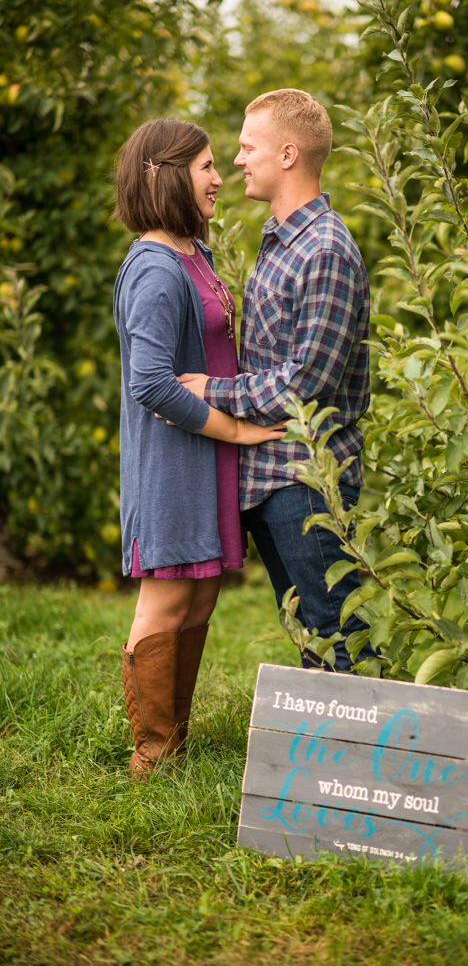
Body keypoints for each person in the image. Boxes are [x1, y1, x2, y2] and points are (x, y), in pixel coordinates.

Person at [177, 89, 375, 673]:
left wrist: (210, 391)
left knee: (341, 632)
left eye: (247, 147)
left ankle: (371, 760)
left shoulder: (325, 248)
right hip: (272, 475)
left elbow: (308, 378)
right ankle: (327, 761)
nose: (237, 160)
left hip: (309, 477)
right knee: (312, 633)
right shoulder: (280, 241)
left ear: (288, 154)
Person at [113, 118, 285, 778]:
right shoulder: (156, 269)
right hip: (175, 462)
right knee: (166, 598)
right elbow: (151, 382)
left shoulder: (194, 254)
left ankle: (173, 738)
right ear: (164, 173)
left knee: (202, 593)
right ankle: (151, 755)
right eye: (207, 166)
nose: (220, 178)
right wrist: (237, 429)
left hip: (205, 457)